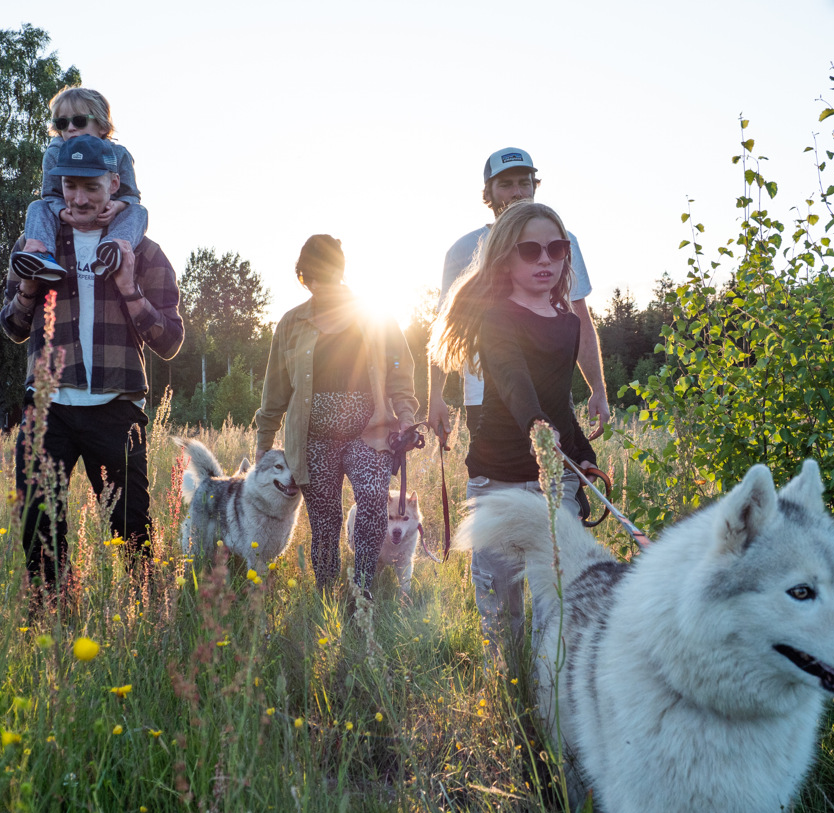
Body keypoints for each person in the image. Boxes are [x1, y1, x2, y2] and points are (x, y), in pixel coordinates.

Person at [0, 134, 184, 602]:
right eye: (70, 186)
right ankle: (54, 627)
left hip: (115, 410)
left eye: (92, 187)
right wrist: (25, 289)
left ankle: (148, 618)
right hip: (47, 413)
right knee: (40, 533)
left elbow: (169, 341)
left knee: (133, 532)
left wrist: (128, 287)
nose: (79, 198)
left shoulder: (143, 251)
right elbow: (12, 326)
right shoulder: (34, 243)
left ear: (114, 184)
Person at [429, 200, 598, 658]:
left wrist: (582, 454)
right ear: (506, 256)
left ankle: (548, 704)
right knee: (503, 609)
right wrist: (541, 432)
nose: (545, 259)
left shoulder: (566, 322)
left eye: (556, 249)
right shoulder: (496, 317)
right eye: (530, 251)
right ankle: (509, 698)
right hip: (500, 477)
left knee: (556, 604)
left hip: (555, 479)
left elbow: (560, 399)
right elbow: (514, 382)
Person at [254, 235, 419, 603]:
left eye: (328, 276)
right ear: (303, 279)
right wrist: (264, 448)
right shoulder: (291, 323)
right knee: (325, 520)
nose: (321, 284)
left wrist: (406, 416)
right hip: (314, 438)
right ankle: (327, 593)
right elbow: (275, 392)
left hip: (370, 433)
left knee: (374, 502)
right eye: (312, 277)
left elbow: (400, 371)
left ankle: (363, 589)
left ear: (341, 273)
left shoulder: (374, 315)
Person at [428, 147, 609, 446]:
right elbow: (445, 327)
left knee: (560, 482)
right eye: (506, 184)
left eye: (525, 182)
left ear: (535, 186)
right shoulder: (463, 250)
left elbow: (581, 320)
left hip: (552, 395)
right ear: (489, 193)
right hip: (486, 397)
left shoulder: (562, 242)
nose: (517, 192)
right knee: (500, 484)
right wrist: (435, 397)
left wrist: (598, 388)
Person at [10, 86, 147, 283]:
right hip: (68, 213)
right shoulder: (54, 153)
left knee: (139, 212)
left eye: (80, 121)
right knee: (37, 207)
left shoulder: (119, 154)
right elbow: (50, 194)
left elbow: (131, 195)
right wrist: (60, 211)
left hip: (108, 218)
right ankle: (40, 253)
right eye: (62, 123)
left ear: (102, 126)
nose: (71, 128)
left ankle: (113, 249)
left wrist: (117, 206)